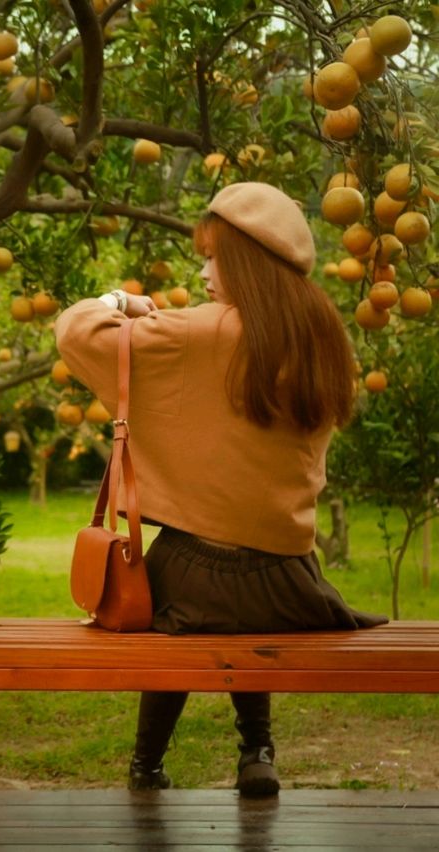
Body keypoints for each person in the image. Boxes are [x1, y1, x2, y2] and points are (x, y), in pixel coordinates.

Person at [54, 181, 388, 798]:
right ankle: (256, 750)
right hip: (290, 586)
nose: (205, 271)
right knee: (235, 578)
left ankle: (145, 763)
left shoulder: (194, 332)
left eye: (215, 256)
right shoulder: (324, 332)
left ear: (248, 261)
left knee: (177, 579)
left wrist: (120, 302)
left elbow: (75, 333)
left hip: (194, 583)